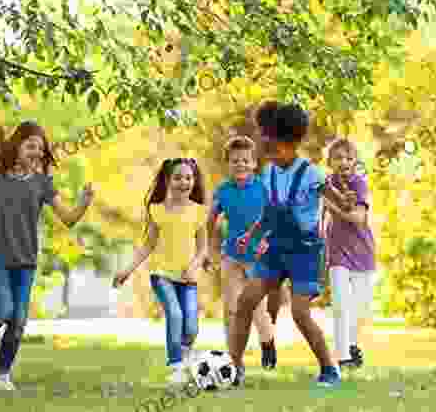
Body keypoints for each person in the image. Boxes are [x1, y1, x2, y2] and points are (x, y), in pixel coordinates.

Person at [0, 120, 95, 390]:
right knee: (2, 310)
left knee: (18, 322)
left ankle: (2, 375)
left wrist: (83, 203)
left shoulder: (42, 183)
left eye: (41, 149)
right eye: (31, 146)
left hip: (26, 260)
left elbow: (69, 218)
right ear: (16, 146)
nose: (37, 153)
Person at [229, 101, 345, 388]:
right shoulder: (268, 173)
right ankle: (234, 367)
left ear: (291, 143)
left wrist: (344, 200)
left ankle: (329, 368)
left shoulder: (310, 173)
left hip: (304, 251)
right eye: (267, 145)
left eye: (275, 146)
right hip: (276, 248)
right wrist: (252, 235)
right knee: (245, 303)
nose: (269, 151)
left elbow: (330, 193)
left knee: (299, 314)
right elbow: (269, 212)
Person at [113, 158, 209, 385]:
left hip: (188, 278)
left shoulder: (198, 211)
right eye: (178, 177)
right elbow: (147, 245)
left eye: (188, 178)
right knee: (175, 315)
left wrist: (195, 266)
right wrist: (127, 270)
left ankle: (185, 355)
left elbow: (203, 247)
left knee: (191, 327)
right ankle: (175, 365)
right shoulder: (157, 210)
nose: (184, 182)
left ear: (194, 182)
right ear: (167, 180)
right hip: (162, 274)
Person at [206, 136, 277, 370]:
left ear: (254, 163)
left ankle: (267, 341)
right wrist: (210, 249)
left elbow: (275, 218)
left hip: (258, 259)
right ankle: (234, 361)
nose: (241, 165)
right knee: (232, 309)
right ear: (228, 164)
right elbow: (211, 219)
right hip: (232, 257)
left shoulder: (263, 187)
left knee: (257, 309)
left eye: (246, 161)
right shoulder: (223, 191)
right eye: (235, 161)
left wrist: (268, 241)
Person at [322, 138, 377, 369]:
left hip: (362, 252)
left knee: (361, 308)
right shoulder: (325, 184)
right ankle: (342, 357)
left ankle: (352, 345)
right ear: (330, 162)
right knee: (341, 305)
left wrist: (331, 206)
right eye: (338, 158)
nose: (343, 162)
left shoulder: (359, 184)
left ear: (354, 162)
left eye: (348, 158)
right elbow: (318, 215)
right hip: (337, 252)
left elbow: (358, 218)